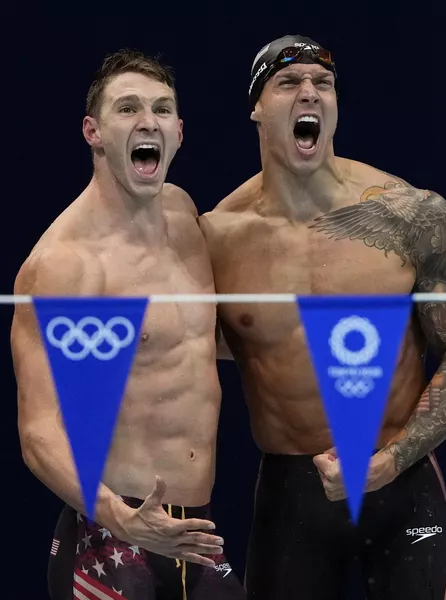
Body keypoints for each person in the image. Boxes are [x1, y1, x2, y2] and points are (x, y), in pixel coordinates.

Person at [199, 35, 446, 599]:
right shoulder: (216, 239)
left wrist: (389, 461)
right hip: (292, 497)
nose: (309, 92)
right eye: (289, 83)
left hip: (401, 483)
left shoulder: (409, 214)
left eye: (323, 83)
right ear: (257, 106)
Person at [11, 49, 246, 600]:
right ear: (93, 131)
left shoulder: (184, 216)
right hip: (112, 541)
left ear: (180, 132)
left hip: (196, 535)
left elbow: (190, 342)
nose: (148, 121)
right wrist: (120, 517)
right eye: (128, 109)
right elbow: (39, 434)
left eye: (162, 109)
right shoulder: (66, 266)